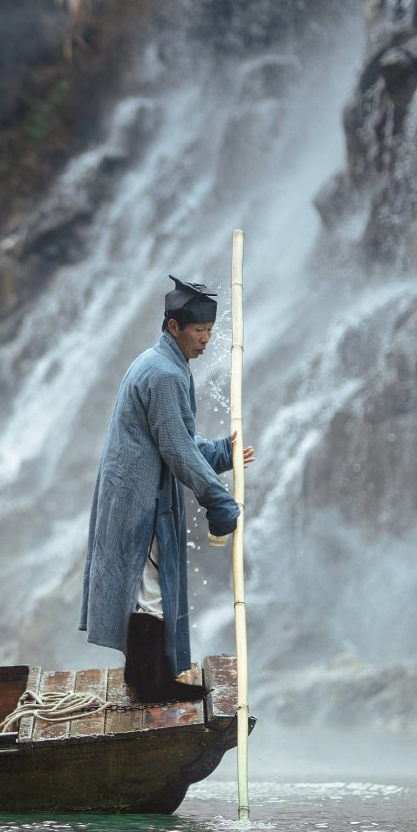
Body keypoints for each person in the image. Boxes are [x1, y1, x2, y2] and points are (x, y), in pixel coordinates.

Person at [80, 275, 256, 703]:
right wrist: (221, 505)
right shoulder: (164, 375)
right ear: (174, 327)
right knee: (149, 589)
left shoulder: (162, 365)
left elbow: (176, 436)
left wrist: (219, 454)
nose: (206, 340)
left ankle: (147, 679)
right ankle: (150, 684)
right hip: (138, 497)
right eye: (199, 331)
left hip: (137, 492)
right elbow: (176, 449)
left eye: (211, 332)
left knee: (147, 585)